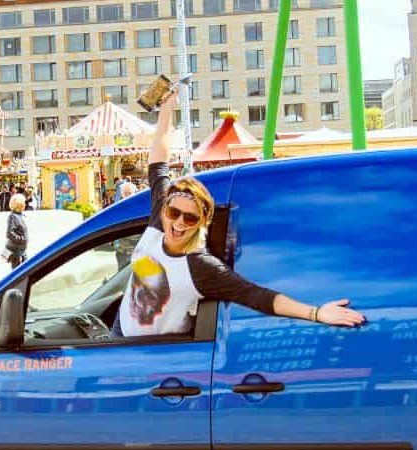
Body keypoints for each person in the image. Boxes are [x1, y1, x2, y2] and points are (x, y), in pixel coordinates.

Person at [122, 92, 365, 338]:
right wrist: (166, 111)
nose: (179, 222)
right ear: (164, 210)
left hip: (147, 358)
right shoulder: (157, 227)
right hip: (118, 337)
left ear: (201, 223)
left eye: (190, 218)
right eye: (174, 213)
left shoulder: (199, 267)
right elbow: (158, 164)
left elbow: (256, 295)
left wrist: (315, 313)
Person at [4, 193, 29, 269]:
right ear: (19, 204)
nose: (25, 204)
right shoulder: (13, 216)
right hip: (16, 252)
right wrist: (21, 239)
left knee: (25, 270)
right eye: (24, 203)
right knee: (18, 273)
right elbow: (9, 233)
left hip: (21, 250)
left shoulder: (20, 215)